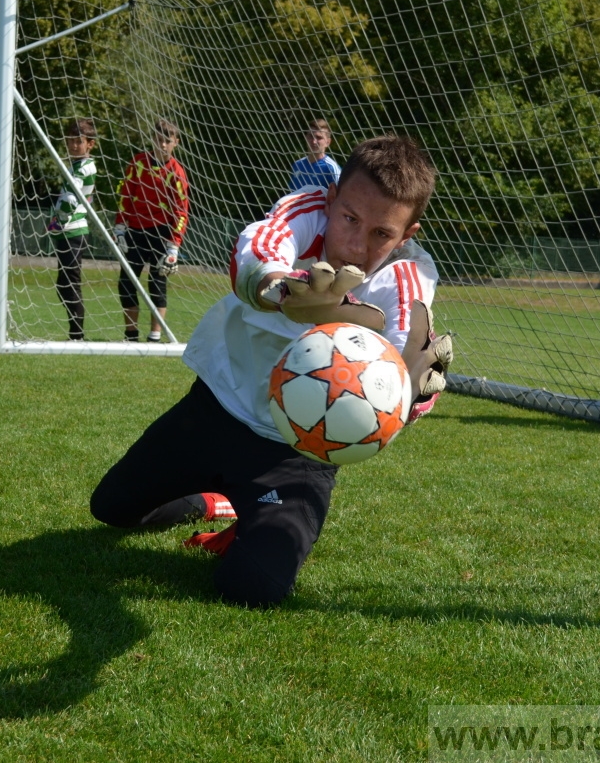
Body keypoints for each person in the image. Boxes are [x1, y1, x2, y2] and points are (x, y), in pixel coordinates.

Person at [91, 136, 453, 607]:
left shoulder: (408, 275)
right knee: (112, 508)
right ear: (331, 200)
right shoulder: (305, 210)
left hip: (296, 454)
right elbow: (259, 246)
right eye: (349, 219)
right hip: (214, 410)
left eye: (382, 234)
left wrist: (414, 391)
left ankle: (249, 507)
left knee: (253, 587)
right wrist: (281, 286)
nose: (357, 244)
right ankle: (211, 500)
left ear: (407, 235)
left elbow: (410, 343)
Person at [113, 119, 190, 343]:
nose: (162, 145)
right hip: (134, 232)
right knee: (126, 281)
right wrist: (119, 227)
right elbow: (125, 196)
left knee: (157, 282)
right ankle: (130, 334)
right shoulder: (137, 163)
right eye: (158, 139)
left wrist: (173, 245)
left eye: (168, 141)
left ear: (176, 143)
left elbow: (181, 212)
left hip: (161, 234)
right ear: (152, 140)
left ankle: (155, 336)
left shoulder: (177, 173)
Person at [47, 118, 99, 341]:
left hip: (74, 231)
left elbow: (71, 197)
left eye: (79, 141)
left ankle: (77, 335)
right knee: (63, 285)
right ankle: (75, 333)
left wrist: (59, 218)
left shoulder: (84, 167)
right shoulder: (76, 165)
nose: (74, 145)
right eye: (71, 140)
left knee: (70, 284)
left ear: (90, 144)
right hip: (67, 231)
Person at [289, 118, 341, 192]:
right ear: (306, 138)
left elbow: (339, 197)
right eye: (311, 136)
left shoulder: (331, 168)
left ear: (328, 142)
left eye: (319, 138)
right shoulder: (298, 164)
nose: (314, 141)